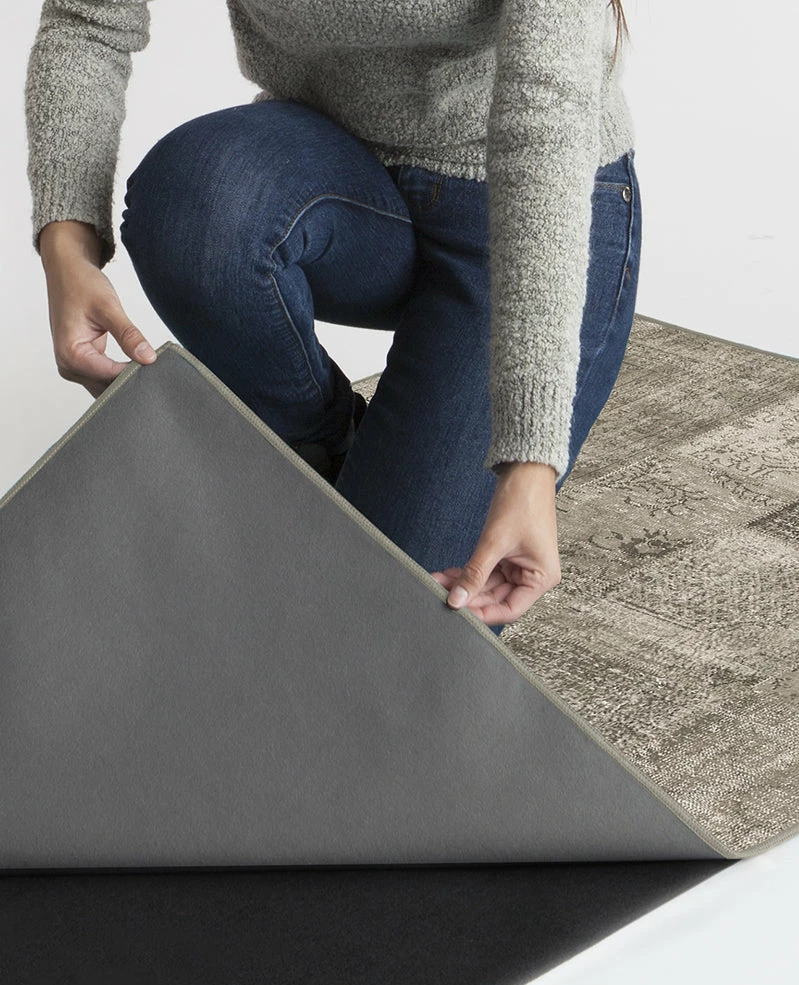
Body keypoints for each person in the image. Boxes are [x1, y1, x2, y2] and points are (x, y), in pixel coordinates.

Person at [25, 0, 641, 638]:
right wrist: (65, 250)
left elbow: (546, 111)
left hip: (533, 205)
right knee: (196, 201)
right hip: (338, 175)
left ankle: (384, 486)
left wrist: (529, 459)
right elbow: (88, 19)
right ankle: (325, 446)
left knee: (378, 627)